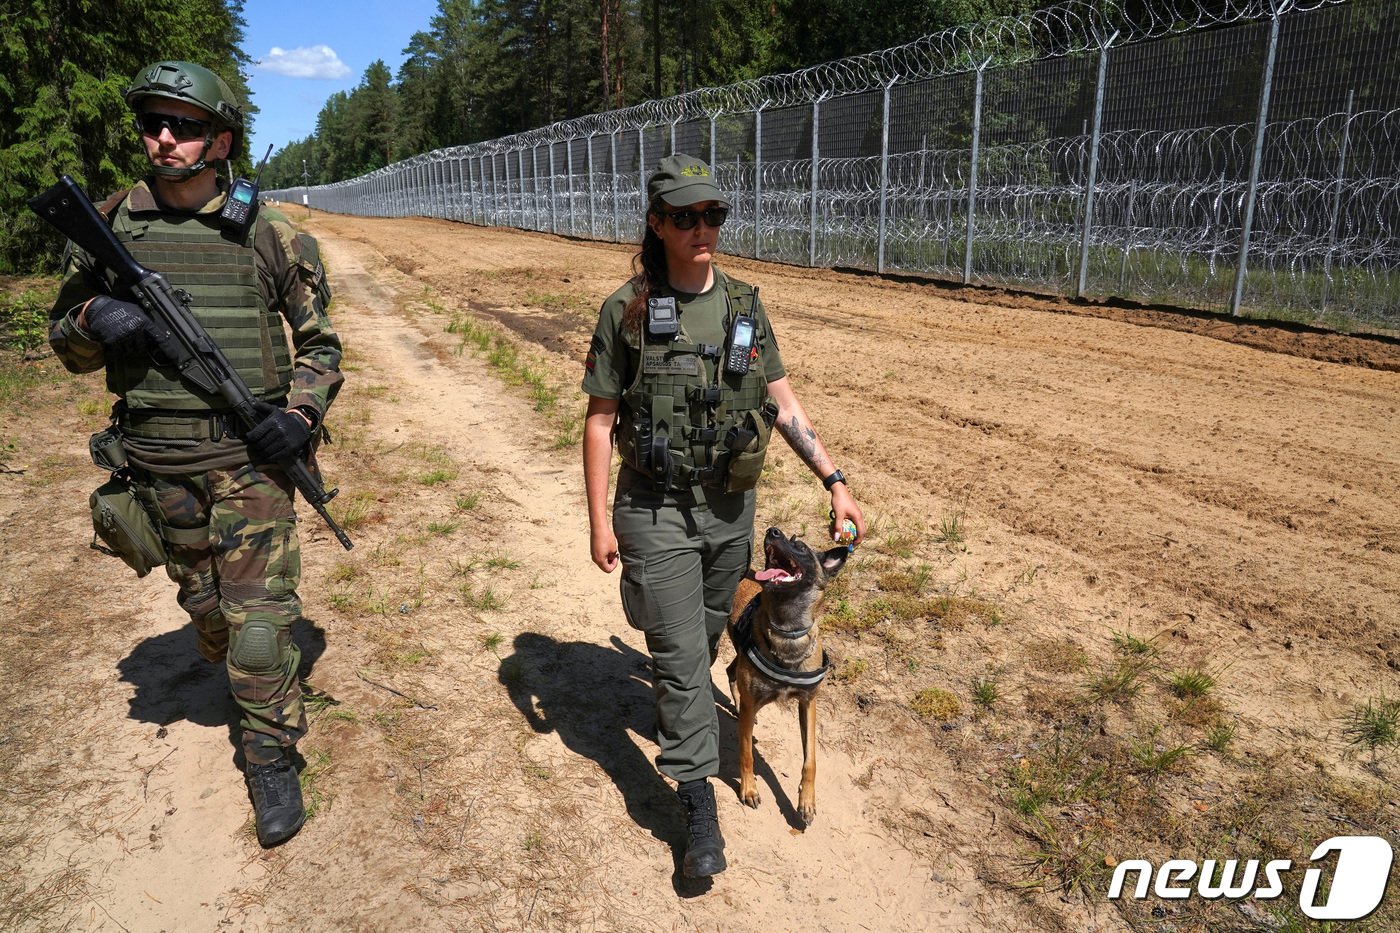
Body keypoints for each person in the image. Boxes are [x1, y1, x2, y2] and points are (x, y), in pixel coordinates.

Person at [47, 61, 343, 847]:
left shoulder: (269, 231)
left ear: (221, 139)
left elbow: (322, 345)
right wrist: (92, 318)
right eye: (153, 124)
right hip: (155, 462)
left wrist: (301, 415)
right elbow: (61, 339)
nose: (165, 139)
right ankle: (237, 663)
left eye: (182, 125)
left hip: (250, 465)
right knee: (208, 607)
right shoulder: (109, 226)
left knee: (255, 626)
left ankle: (270, 753)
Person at [581, 153, 866, 878]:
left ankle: (678, 707)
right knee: (680, 662)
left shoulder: (745, 306)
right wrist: (598, 519)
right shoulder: (628, 309)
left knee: (707, 636)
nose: (703, 227)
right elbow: (600, 420)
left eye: (713, 214)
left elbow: (783, 404)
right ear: (657, 223)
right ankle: (696, 804)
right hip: (654, 510)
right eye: (686, 216)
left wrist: (833, 477)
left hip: (728, 514)